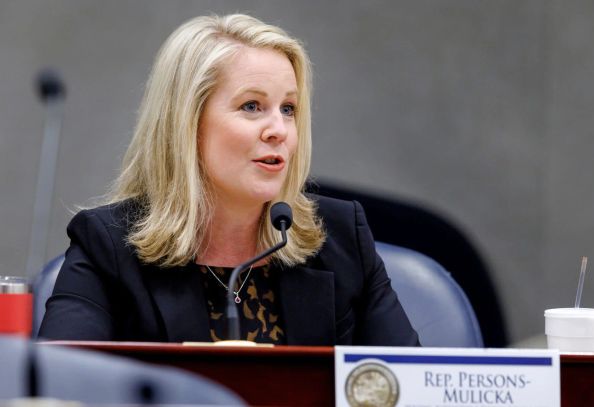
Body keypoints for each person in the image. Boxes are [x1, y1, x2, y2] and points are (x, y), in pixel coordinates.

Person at [38, 14, 419, 346]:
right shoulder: (108, 246)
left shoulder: (342, 238)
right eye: (252, 106)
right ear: (187, 124)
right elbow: (60, 381)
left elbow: (410, 385)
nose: (279, 130)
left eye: (288, 108)